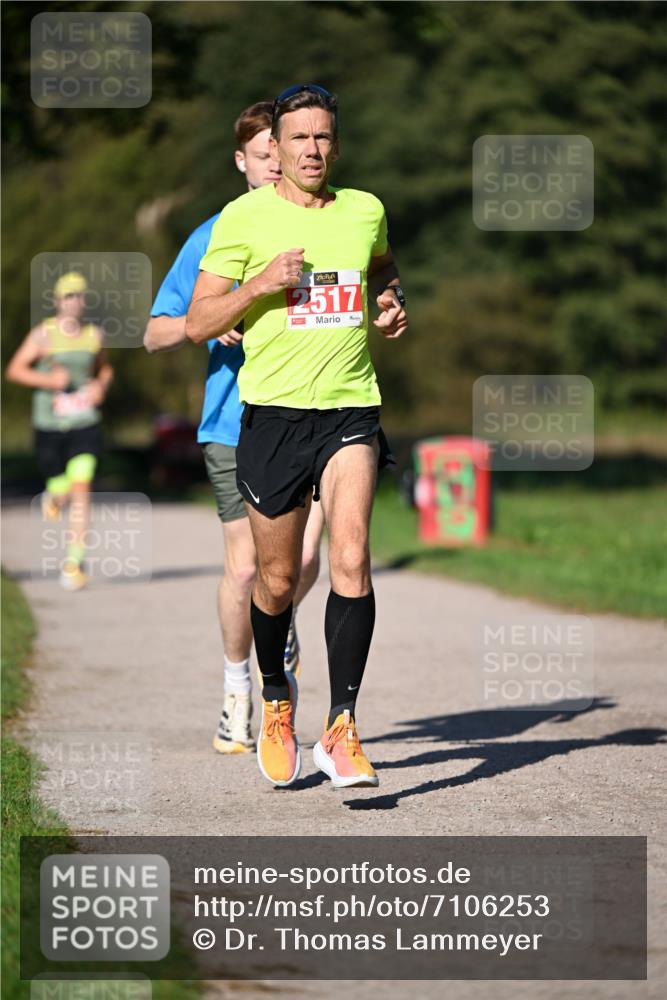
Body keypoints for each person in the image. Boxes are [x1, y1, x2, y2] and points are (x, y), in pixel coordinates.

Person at [187, 84, 408, 789]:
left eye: (322, 138)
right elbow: (196, 322)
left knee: (350, 557)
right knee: (276, 580)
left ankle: (341, 729)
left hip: (350, 412)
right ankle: (277, 701)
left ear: (332, 144)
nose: (311, 150)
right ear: (273, 151)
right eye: (298, 139)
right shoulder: (242, 218)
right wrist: (257, 288)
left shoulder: (363, 209)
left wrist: (390, 302)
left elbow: (382, 268)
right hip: (273, 418)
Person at [144, 102, 325, 757]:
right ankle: (234, 691)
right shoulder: (212, 235)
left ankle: (283, 617)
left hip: (311, 413)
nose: (276, 163)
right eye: (262, 155)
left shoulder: (322, 221)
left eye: (283, 151)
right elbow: (157, 331)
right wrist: (209, 317)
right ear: (242, 161)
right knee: (246, 568)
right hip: (232, 422)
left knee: (302, 561)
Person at [6, 272, 114, 591]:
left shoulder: (94, 335)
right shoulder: (43, 335)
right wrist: (49, 382)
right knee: (61, 490)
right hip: (50, 426)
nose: (74, 302)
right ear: (56, 301)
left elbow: (104, 369)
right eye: (68, 296)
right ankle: (54, 496)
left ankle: (73, 564)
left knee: (82, 488)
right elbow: (15, 370)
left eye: (79, 296)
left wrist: (100, 387)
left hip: (84, 422)